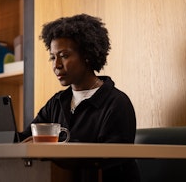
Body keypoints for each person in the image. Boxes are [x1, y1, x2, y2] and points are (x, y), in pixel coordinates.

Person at [18, 14, 140, 182]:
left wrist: (55, 152)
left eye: (64, 55)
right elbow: (25, 139)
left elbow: (109, 161)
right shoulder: (57, 102)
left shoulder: (116, 103)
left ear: (87, 55)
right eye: (53, 57)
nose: (56, 65)